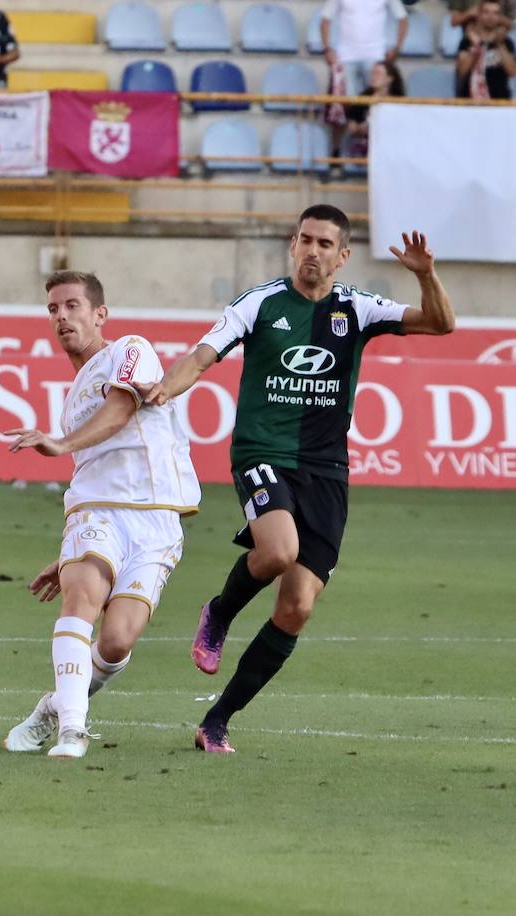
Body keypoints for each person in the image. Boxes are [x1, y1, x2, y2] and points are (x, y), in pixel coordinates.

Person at [136, 205, 456, 754]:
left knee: (297, 607)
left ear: (343, 255)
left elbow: (441, 323)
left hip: (328, 469)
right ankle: (219, 611)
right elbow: (203, 354)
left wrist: (425, 274)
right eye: (305, 240)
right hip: (263, 453)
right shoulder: (260, 302)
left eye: (325, 243)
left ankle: (217, 720)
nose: (313, 251)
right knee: (279, 551)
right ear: (293, 244)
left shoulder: (356, 309)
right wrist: (168, 386)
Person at [2, 271, 201, 760]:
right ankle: (73, 729)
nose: (62, 316)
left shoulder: (129, 349)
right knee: (81, 601)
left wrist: (61, 443)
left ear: (99, 314)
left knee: (115, 643)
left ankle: (52, 707)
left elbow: (121, 409)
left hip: (157, 521)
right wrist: (70, 556)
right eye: (53, 309)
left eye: (72, 305)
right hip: (97, 514)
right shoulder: (72, 398)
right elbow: (93, 470)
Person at [320, 0, 408, 97]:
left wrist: (397, 48)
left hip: (375, 55)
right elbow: (325, 20)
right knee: (347, 101)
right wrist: (327, 49)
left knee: (375, 99)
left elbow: (403, 19)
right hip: (346, 56)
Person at [341, 60, 404, 159]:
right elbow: (351, 125)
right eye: (372, 73)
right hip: (365, 145)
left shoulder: (399, 101)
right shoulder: (363, 98)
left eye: (378, 73)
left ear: (389, 79)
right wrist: (359, 129)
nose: (373, 77)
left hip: (390, 147)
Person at [456, 0, 516, 99]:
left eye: (495, 13)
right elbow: (462, 72)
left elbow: (512, 72)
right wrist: (475, 47)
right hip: (470, 101)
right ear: (479, 15)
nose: (490, 17)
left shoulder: (507, 42)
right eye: (486, 12)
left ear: (499, 17)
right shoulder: (467, 41)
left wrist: (499, 44)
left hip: (499, 102)